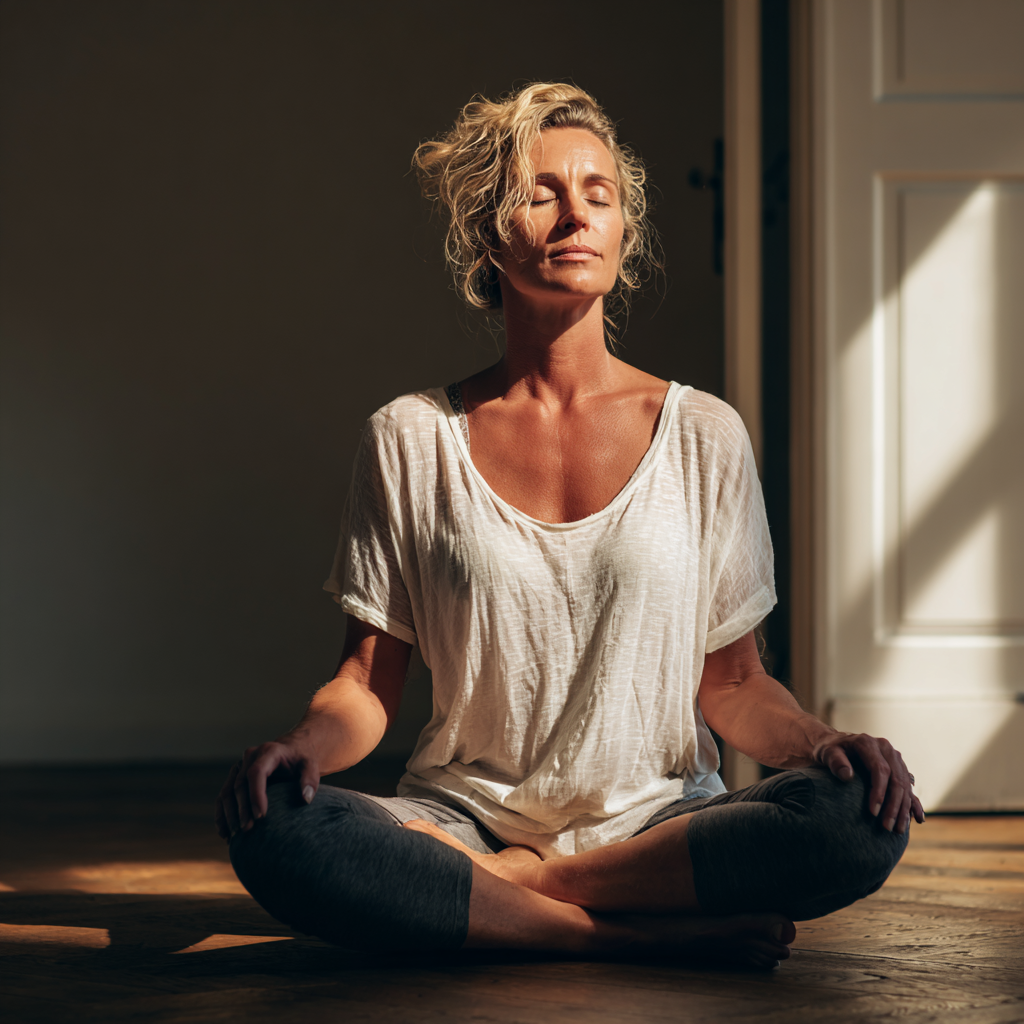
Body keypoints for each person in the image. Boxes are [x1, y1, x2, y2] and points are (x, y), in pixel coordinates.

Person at [216, 83, 923, 968]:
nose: (573, 214)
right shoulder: (408, 439)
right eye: (540, 191)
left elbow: (735, 685)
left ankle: (523, 900)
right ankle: (622, 937)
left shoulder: (704, 434)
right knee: (279, 826)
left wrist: (827, 743)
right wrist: (299, 749)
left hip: (661, 824)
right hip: (463, 821)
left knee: (854, 821)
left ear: (625, 235)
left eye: (599, 194)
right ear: (485, 233)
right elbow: (365, 683)